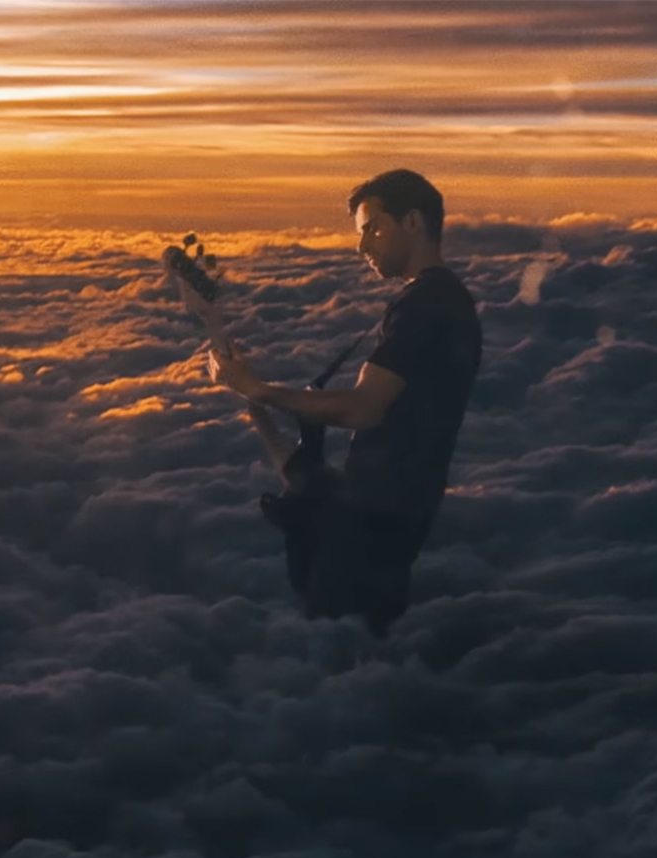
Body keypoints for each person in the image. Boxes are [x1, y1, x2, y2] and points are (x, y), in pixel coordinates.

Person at [197, 169, 482, 636]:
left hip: (370, 544)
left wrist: (261, 389)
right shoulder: (435, 302)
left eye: (373, 228)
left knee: (344, 664)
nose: (362, 247)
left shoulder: (426, 305)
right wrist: (251, 396)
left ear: (413, 222)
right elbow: (317, 473)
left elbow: (364, 409)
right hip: (374, 531)